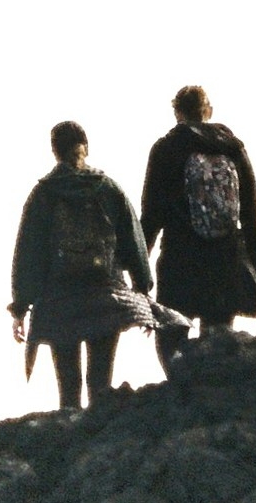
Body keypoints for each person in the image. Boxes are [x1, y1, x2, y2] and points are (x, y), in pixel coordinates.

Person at [10, 122, 151, 410]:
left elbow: (28, 253)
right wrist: (142, 289)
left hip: (59, 299)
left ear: (55, 151)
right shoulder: (109, 189)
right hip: (105, 295)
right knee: (100, 384)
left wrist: (21, 307)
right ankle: (100, 445)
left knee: (69, 388)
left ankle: (71, 443)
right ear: (85, 146)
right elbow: (133, 243)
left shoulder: (44, 194)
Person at [140, 84, 256, 338]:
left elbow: (152, 213)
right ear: (209, 111)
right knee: (218, 344)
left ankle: (181, 378)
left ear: (177, 113)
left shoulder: (167, 149)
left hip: (180, 259)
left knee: (171, 336)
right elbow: (251, 213)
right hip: (225, 261)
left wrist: (139, 271)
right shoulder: (232, 148)